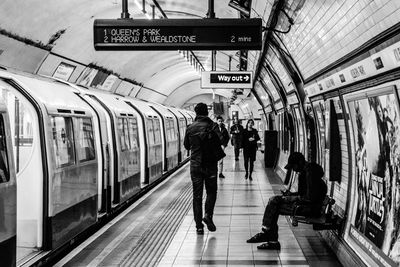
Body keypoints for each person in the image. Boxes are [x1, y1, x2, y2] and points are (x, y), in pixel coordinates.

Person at [246, 152, 327, 249]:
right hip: (306, 205)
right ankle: (269, 236)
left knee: (274, 203)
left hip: (310, 208)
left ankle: (269, 236)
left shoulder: (310, 174)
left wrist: (292, 198)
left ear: (300, 163)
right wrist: (291, 195)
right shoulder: (305, 172)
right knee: (274, 202)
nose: (293, 169)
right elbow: (303, 194)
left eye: (294, 166)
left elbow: (309, 198)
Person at [184, 103, 223, 235]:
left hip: (195, 165)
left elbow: (186, 146)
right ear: (207, 112)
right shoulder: (213, 126)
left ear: (196, 113)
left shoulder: (190, 128)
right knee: (211, 192)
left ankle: (198, 226)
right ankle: (208, 215)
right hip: (211, 165)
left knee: (197, 195)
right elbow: (221, 141)